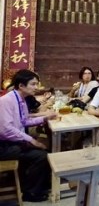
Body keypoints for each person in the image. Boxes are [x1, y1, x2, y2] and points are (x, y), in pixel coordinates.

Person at [0, 69, 57, 202]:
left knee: (42, 149)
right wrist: (31, 140)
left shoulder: (20, 99)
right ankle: (29, 192)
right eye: (33, 84)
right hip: (3, 146)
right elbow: (5, 130)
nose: (36, 87)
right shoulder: (6, 101)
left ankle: (38, 184)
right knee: (41, 155)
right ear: (21, 85)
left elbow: (24, 121)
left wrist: (45, 119)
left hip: (11, 142)